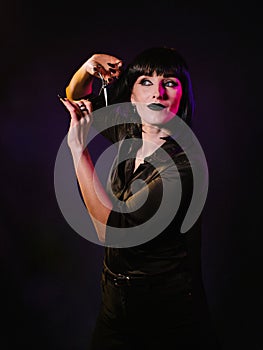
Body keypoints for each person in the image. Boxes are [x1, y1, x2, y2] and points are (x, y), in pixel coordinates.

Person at [59, 47, 221, 349]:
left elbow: (110, 232)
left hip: (167, 318)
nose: (157, 92)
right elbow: (76, 97)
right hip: (115, 310)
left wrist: (78, 151)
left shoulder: (182, 169)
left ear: (182, 96)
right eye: (146, 81)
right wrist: (88, 66)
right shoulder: (131, 128)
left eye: (169, 83)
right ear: (131, 96)